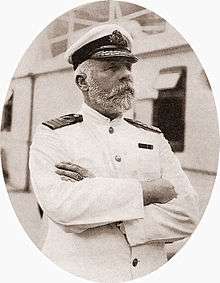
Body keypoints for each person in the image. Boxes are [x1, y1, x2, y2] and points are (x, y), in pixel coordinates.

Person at [29, 24, 199, 282]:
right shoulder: (54, 135)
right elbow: (63, 209)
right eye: (112, 68)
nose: (126, 76)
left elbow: (187, 214)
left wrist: (100, 196)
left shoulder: (152, 137)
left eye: (128, 67)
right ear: (82, 81)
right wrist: (148, 192)